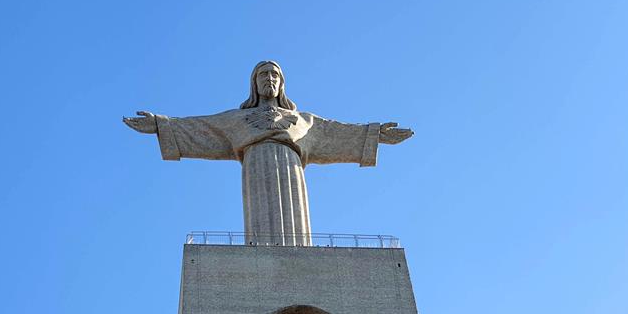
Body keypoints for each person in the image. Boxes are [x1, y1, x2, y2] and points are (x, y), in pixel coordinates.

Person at [124, 60, 413, 245]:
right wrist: (161, 125)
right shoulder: (237, 119)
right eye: (263, 74)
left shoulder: (303, 120)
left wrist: (375, 134)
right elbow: (200, 127)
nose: (269, 78)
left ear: (281, 83)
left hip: (291, 169)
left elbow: (337, 132)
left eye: (275, 74)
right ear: (254, 83)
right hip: (255, 165)